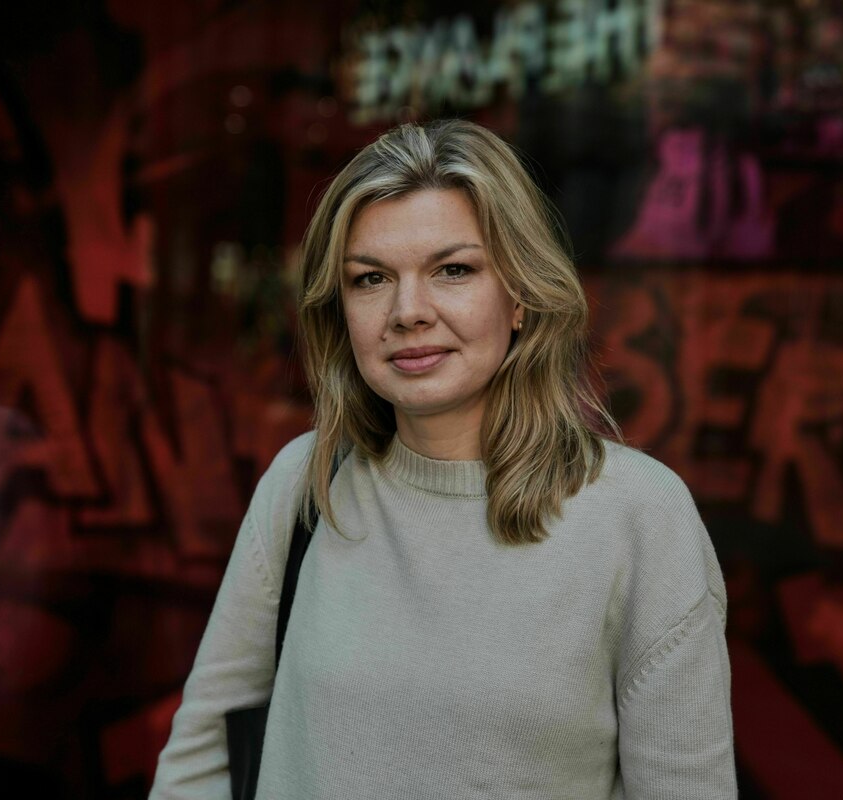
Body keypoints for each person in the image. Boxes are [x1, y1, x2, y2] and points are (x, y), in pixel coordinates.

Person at [149, 120, 736, 799]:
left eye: (453, 270)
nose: (407, 312)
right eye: (370, 279)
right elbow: (198, 767)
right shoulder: (308, 483)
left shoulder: (638, 517)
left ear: (520, 296)